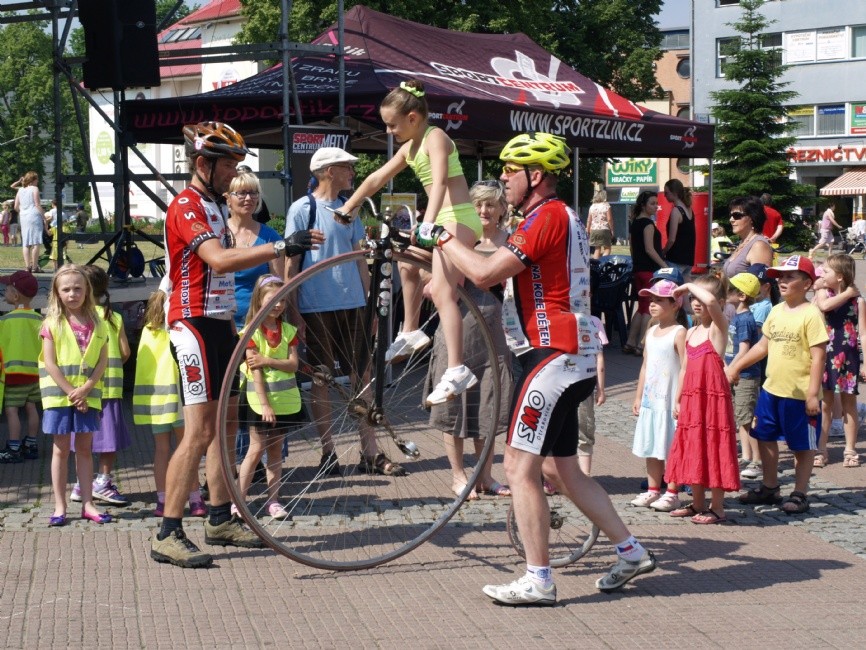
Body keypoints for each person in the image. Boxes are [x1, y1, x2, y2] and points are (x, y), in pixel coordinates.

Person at [434, 132, 656, 606]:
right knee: (564, 468)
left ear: (535, 175)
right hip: (563, 356)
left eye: (510, 172)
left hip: (552, 357)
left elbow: (485, 273)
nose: (503, 180)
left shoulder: (545, 216)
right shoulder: (560, 215)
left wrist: (439, 236)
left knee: (517, 467)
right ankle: (630, 550)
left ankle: (539, 579)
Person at [150, 121, 322, 569]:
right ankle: (168, 531)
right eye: (228, 165)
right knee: (200, 430)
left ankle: (220, 518)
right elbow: (219, 260)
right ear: (203, 164)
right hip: (193, 323)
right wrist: (280, 245)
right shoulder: (187, 205)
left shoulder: (211, 205)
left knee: (226, 426)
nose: (234, 174)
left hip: (221, 323)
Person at [337, 79, 483, 405]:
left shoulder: (436, 138)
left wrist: (428, 223)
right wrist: (350, 204)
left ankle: (458, 369)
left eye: (392, 125)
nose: (389, 131)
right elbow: (377, 178)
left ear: (413, 118)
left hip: (458, 218)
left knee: (444, 292)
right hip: (441, 220)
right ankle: (411, 330)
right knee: (404, 260)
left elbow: (442, 182)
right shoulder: (409, 148)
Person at [285, 147, 405, 476]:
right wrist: (292, 311)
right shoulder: (302, 209)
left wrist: (371, 307)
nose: (352, 172)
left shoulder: (348, 209)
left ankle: (370, 452)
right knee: (321, 380)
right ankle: (328, 453)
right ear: (327, 172)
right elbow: (291, 264)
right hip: (316, 306)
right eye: (346, 167)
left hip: (353, 305)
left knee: (362, 377)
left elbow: (359, 261)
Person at [425, 179, 512, 498]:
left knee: (487, 405)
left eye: (491, 204)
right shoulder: (460, 237)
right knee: (455, 407)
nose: (484, 210)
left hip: (496, 331)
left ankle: (485, 475)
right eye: (478, 204)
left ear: (502, 208)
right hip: (458, 331)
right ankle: (458, 474)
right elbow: (428, 276)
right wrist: (434, 282)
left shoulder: (511, 240)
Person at [726, 255, 828, 514]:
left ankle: (800, 492)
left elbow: (818, 357)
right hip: (772, 390)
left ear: (807, 284)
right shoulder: (776, 311)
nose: (782, 281)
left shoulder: (811, 314)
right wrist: (736, 366)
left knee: (801, 446)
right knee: (764, 436)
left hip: (800, 393)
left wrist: (813, 394)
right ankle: (770, 487)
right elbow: (762, 346)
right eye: (780, 276)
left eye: (790, 277)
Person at [39, 264, 111, 526]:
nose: (72, 294)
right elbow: (50, 363)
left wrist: (87, 388)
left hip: (87, 396)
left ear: (87, 290)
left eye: (78, 288)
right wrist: (72, 392)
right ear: (57, 293)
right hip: (60, 397)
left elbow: (103, 360)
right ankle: (60, 506)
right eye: (66, 289)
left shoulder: (99, 323)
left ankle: (88, 503)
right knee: (60, 450)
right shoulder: (52, 323)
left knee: (84, 449)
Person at [666, 276, 739, 524]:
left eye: (701, 298)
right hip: (693, 397)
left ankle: (717, 507)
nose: (697, 302)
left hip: (713, 399)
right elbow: (685, 368)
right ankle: (697, 503)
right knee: (694, 445)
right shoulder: (691, 331)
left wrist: (687, 286)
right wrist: (678, 399)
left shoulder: (718, 327)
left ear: (718, 303)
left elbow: (710, 301)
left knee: (714, 445)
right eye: (693, 298)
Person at [133, 281, 205, 518]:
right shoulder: (180, 331)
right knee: (187, 448)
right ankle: (194, 499)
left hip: (158, 401)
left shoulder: (148, 332)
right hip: (181, 399)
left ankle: (164, 499)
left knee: (162, 450)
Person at [236, 276, 305, 519]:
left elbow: (293, 364)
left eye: (282, 300)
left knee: (276, 451)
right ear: (259, 301)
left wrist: (268, 361)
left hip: (284, 400)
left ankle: (273, 501)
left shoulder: (288, 331)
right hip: (259, 402)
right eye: (272, 299)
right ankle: (239, 500)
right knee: (255, 450)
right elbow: (255, 371)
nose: (278, 304)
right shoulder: (251, 332)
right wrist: (264, 404)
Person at [68, 266, 131, 507]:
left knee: (82, 437)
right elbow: (125, 352)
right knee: (109, 437)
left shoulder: (78, 317)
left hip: (83, 387)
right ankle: (103, 480)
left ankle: (79, 483)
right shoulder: (113, 317)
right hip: (110, 386)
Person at [630, 280, 686, 513]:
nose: (653, 304)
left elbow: (685, 365)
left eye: (659, 300)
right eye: (651, 300)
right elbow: (645, 365)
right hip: (651, 401)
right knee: (652, 445)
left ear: (675, 305)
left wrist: (680, 398)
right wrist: (638, 395)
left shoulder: (679, 332)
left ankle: (672, 492)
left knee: (670, 445)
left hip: (669, 400)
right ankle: (653, 489)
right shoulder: (651, 331)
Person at [813, 253, 866, 468]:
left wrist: (865, 362)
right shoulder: (823, 295)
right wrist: (847, 294)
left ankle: (850, 449)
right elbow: (824, 307)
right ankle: (821, 449)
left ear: (841, 276)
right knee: (824, 404)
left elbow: (863, 332)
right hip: (825, 355)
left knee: (848, 403)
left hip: (848, 356)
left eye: (827, 271)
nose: (822, 275)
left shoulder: (859, 301)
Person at [226, 172, 285, 331]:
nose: (248, 198)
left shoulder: (270, 237)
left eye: (253, 192)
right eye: (242, 193)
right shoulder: (216, 235)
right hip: (220, 323)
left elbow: (278, 286)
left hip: (258, 325)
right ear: (228, 199)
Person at [723, 273, 763, 481]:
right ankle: (747, 456)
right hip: (737, 373)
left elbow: (744, 350)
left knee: (747, 417)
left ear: (741, 296)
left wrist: (733, 369)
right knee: (741, 417)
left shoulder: (745, 320)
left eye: (730, 289)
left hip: (745, 374)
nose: (725, 292)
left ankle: (757, 460)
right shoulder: (738, 317)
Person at [0, 271, 42, 464]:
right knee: (32, 407)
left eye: (6, 290)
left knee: (11, 411)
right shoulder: (39, 320)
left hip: (14, 375)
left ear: (15, 296)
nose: (4, 293)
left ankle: (14, 447)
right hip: (35, 375)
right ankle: (31, 444)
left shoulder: (6, 321)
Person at [623, 190, 666, 355]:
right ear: (643, 205)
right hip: (649, 270)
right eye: (652, 203)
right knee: (648, 308)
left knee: (641, 308)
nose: (656, 206)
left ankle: (630, 341)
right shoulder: (648, 224)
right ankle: (642, 344)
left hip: (638, 270)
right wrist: (663, 265)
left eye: (656, 203)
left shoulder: (635, 223)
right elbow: (650, 249)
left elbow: (633, 249)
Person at [578, 310, 607, 476]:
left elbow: (600, 359)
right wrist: (600, 389)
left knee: (580, 428)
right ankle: (584, 475)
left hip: (567, 383)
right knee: (584, 429)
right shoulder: (594, 320)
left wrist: (601, 390)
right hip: (585, 383)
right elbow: (600, 359)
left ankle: (560, 477)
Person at [722, 196, 774, 279]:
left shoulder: (759, 246)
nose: (731, 219)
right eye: (730, 215)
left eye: (737, 215)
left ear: (752, 218)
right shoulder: (743, 242)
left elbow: (761, 284)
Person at [661, 179, 694, 281]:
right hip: (688, 258)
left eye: (666, 193)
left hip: (676, 259)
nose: (665, 196)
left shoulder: (676, 211)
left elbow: (671, 239)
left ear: (674, 193)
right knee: (684, 292)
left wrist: (663, 252)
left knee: (670, 290)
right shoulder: (689, 210)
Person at [12, 171, 45, 273]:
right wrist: (44, 216)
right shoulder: (34, 189)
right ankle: (35, 267)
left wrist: (23, 211)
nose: (38, 181)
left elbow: (16, 207)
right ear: (33, 180)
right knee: (35, 242)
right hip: (34, 216)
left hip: (24, 217)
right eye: (37, 179)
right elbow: (37, 204)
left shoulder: (20, 190)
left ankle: (27, 266)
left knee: (26, 242)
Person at [586, 189, 614, 258]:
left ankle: (596, 265)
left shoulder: (592, 206)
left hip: (594, 229)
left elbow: (589, 220)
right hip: (604, 229)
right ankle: (603, 263)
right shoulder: (606, 205)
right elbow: (609, 219)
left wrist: (588, 229)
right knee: (607, 248)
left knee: (597, 249)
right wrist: (612, 230)